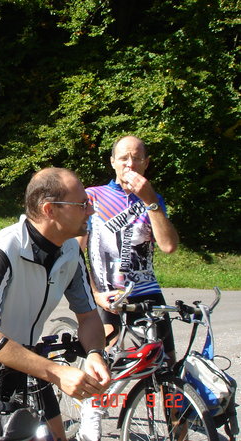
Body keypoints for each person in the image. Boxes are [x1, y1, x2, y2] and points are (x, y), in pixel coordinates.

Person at [0, 167, 111, 441]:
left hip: (23, 353)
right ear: (50, 210)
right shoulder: (3, 250)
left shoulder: (70, 251)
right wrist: (57, 373)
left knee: (55, 437)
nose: (90, 211)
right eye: (82, 204)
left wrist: (94, 354)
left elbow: (89, 317)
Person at [76, 135, 179, 441]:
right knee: (104, 366)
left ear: (146, 163)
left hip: (147, 295)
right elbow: (76, 254)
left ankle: (178, 425)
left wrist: (150, 200)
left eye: (136, 158)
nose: (130, 164)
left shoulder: (152, 199)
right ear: (112, 162)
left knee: (167, 368)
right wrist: (94, 294)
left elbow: (169, 246)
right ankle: (91, 417)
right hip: (108, 297)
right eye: (123, 158)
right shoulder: (92, 197)